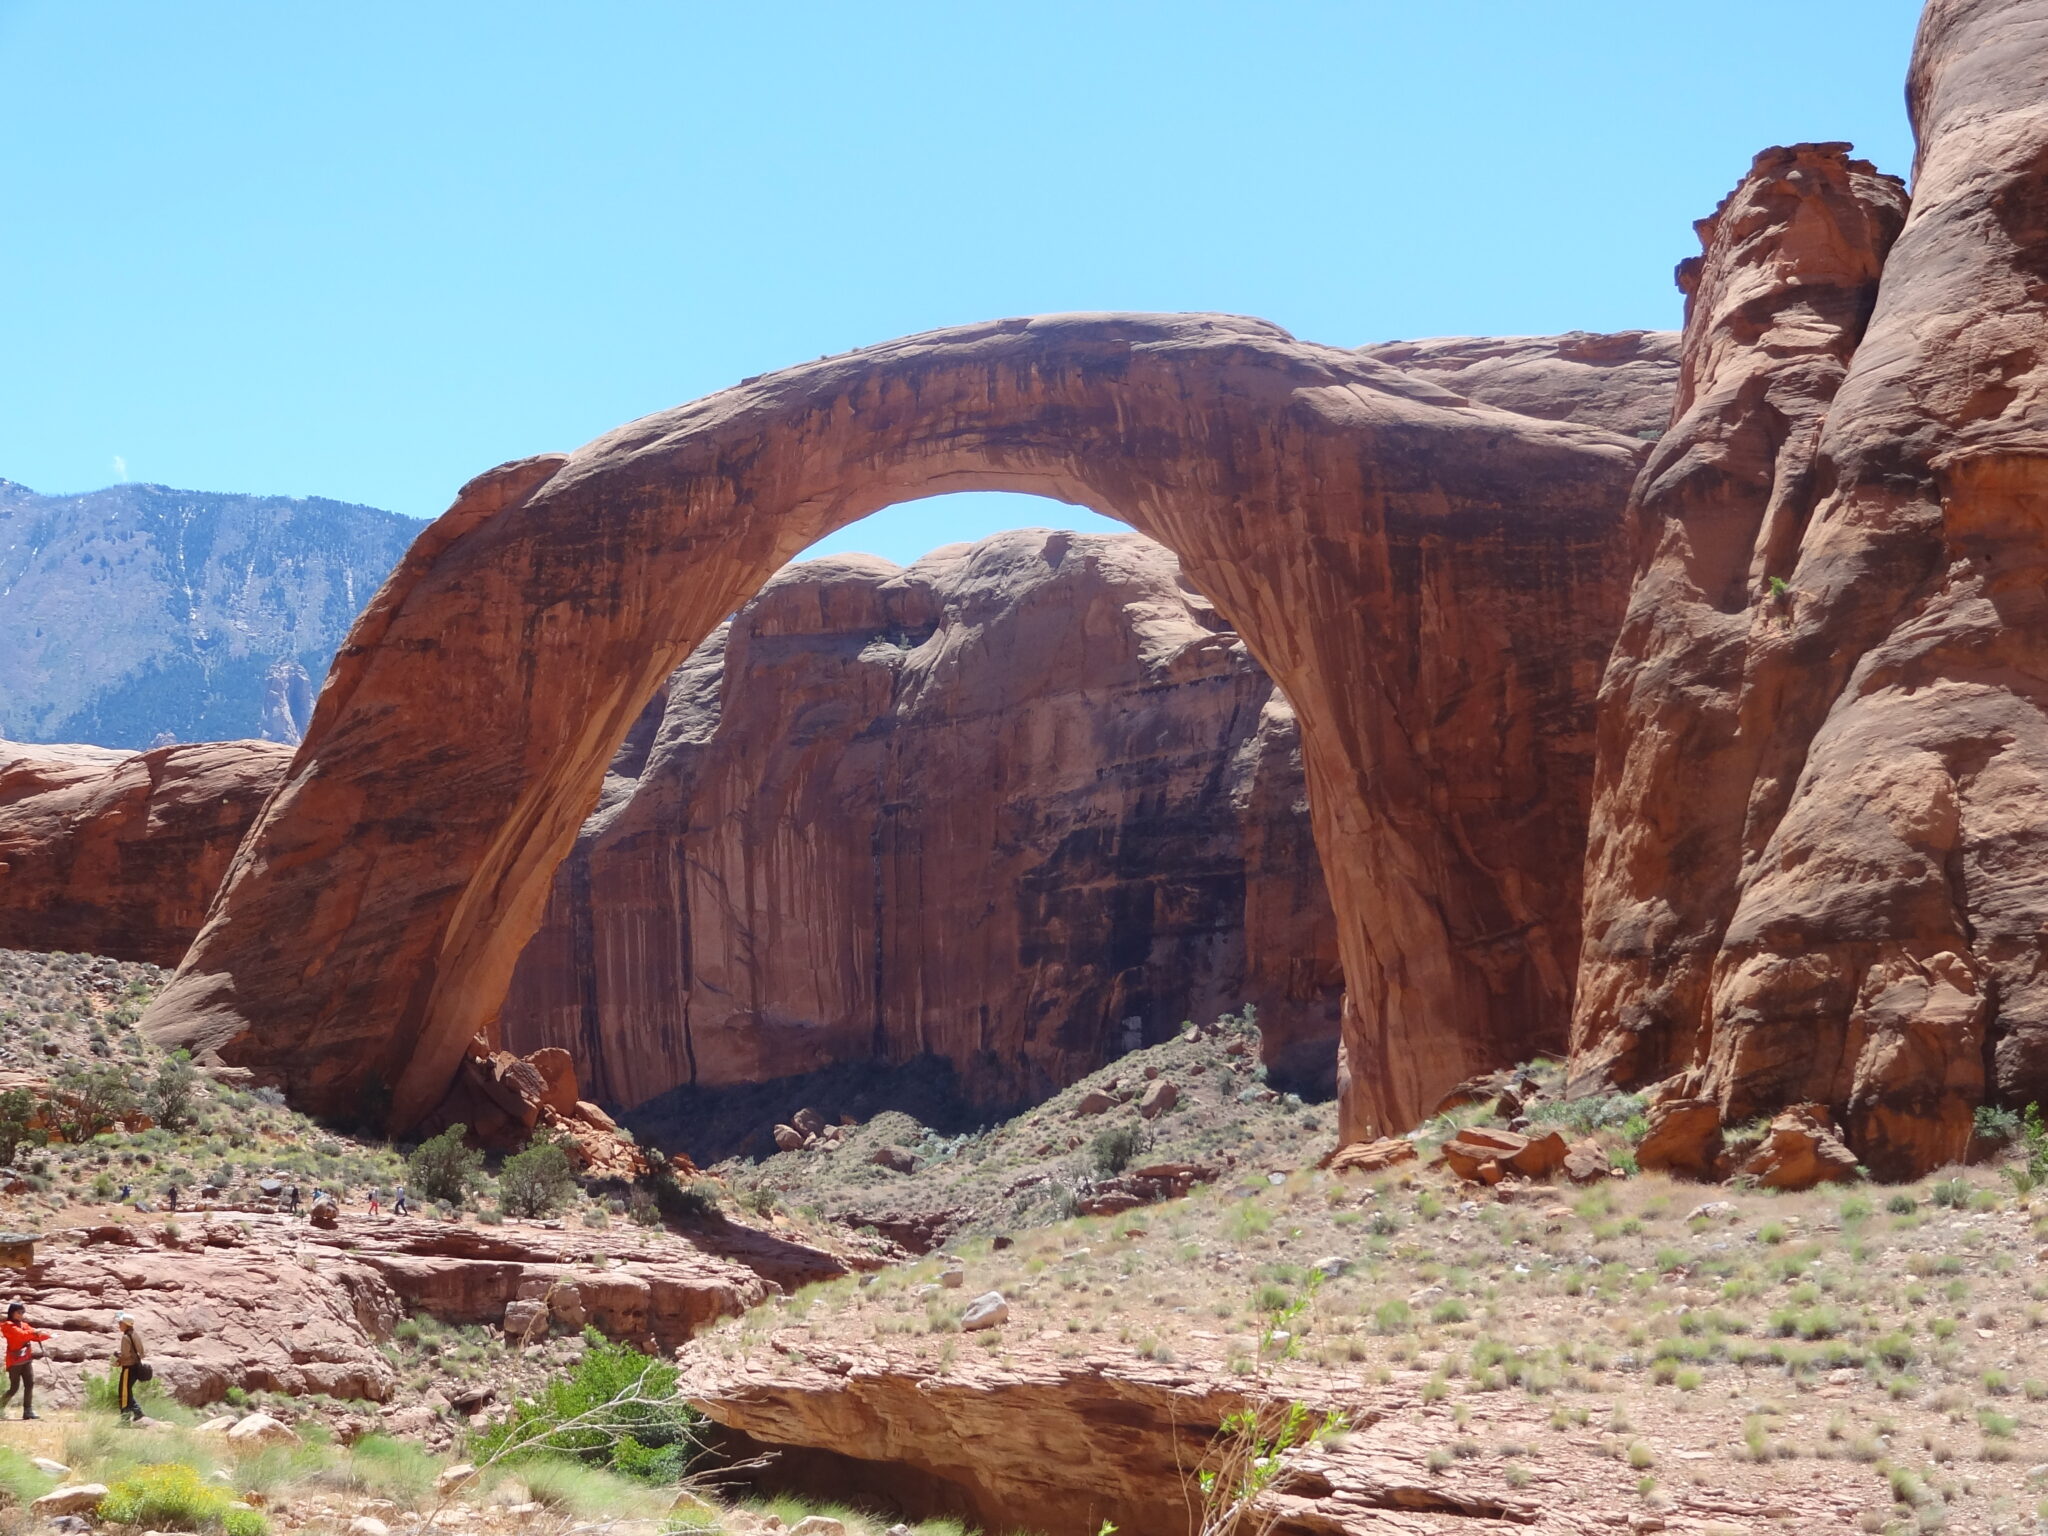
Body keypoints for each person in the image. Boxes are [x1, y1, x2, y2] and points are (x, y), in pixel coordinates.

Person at [0, 1303, 49, 1420]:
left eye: (23, 1312)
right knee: (14, 1388)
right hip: (14, 1362)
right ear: (12, 1313)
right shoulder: (7, 1326)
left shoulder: (24, 1325)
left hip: (26, 1360)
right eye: (19, 1312)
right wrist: (35, 1333)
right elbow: (20, 1335)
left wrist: (48, 1336)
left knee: (30, 1383)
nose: (21, 1315)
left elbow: (35, 1336)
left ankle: (28, 1411)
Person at [113, 1311, 147, 1422]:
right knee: (127, 1392)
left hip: (128, 1368)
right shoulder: (134, 1334)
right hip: (135, 1367)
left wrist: (118, 1361)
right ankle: (138, 1413)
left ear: (125, 1324)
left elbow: (126, 1355)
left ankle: (125, 1420)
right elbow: (141, 1352)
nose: (119, 1324)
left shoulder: (125, 1337)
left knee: (123, 1393)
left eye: (120, 1322)